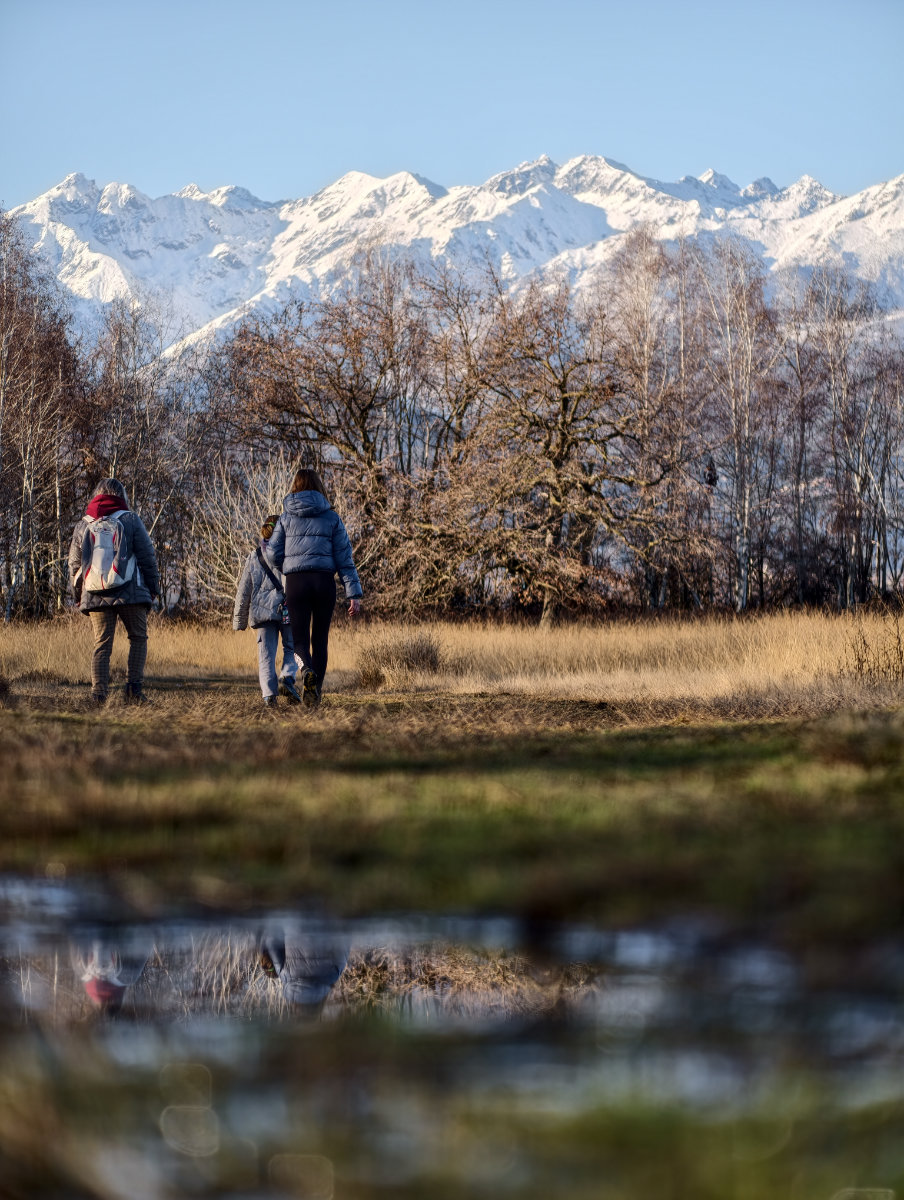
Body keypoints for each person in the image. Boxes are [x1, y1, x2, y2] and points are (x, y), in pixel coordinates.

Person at [267, 468, 362, 708]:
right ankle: (315, 693)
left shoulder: (286, 517)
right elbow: (345, 559)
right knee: (320, 639)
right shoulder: (332, 518)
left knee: (299, 640)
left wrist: (288, 566)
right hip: (323, 582)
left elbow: (271, 553)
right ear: (319, 486)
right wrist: (354, 594)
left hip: (296, 583)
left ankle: (306, 670)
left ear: (295, 486)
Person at [68, 477, 159, 705]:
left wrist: (79, 596)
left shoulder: (83, 524)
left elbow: (74, 565)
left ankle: (98, 695)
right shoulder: (130, 519)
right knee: (138, 638)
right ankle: (133, 691)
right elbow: (148, 557)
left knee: (102, 643)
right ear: (121, 496)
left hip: (95, 594)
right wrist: (153, 589)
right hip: (131, 592)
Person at [233, 513, 302, 707]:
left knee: (266, 655)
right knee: (292, 647)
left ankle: (269, 696)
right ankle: (288, 677)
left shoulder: (254, 556)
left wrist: (239, 620)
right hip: (288, 609)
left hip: (262, 614)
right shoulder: (290, 554)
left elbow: (244, 590)